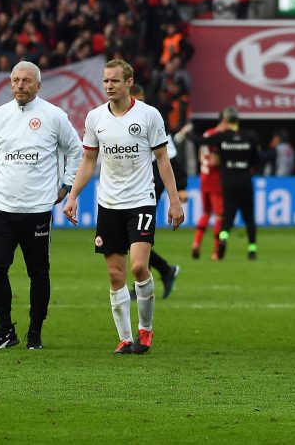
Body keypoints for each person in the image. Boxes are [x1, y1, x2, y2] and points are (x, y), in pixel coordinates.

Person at [63, 60, 185, 354]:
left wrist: (174, 199)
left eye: (115, 81)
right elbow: (89, 161)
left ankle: (146, 330)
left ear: (129, 82)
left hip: (141, 200)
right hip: (108, 204)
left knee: (139, 266)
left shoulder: (149, 115)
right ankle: (125, 338)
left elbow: (162, 160)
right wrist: (73, 196)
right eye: (105, 81)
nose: (109, 86)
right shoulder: (95, 118)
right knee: (115, 275)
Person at [0, 61, 82, 350]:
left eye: (26, 81)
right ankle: (5, 330)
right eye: (15, 80)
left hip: (37, 209)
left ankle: (35, 332)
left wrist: (66, 185)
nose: (20, 85)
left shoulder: (53, 116)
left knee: (38, 272)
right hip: (3, 208)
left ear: (38, 85)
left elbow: (75, 151)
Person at [130, 85, 183, 299]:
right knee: (131, 236)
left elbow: (171, 157)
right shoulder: (115, 119)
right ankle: (163, 271)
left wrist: (181, 189)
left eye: (142, 98)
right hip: (130, 186)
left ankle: (144, 282)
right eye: (137, 98)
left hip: (150, 186)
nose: (140, 103)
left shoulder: (152, 119)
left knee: (137, 236)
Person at [203, 107, 262, 260]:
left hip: (228, 183)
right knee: (249, 218)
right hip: (245, 182)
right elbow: (257, 159)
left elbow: (201, 141)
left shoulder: (222, 137)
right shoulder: (249, 137)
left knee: (228, 217)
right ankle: (252, 249)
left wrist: (186, 133)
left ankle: (222, 239)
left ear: (226, 121)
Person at [191, 107, 227, 259]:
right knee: (220, 216)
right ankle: (216, 251)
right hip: (215, 179)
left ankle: (196, 243)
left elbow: (201, 157)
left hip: (203, 177)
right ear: (224, 121)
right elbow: (214, 160)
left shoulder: (207, 134)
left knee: (206, 212)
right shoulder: (218, 137)